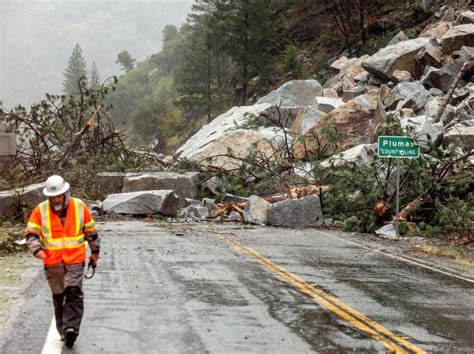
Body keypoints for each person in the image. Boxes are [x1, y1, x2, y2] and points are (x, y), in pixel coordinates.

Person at [24, 175, 100, 348]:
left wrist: (95, 252)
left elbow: (91, 231)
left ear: (66, 193)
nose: (56, 199)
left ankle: (71, 328)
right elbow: (31, 234)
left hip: (75, 260)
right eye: (53, 197)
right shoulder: (40, 210)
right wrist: (37, 250)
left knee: (73, 293)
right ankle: (63, 330)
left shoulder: (79, 206)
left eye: (59, 195)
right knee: (59, 297)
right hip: (52, 263)